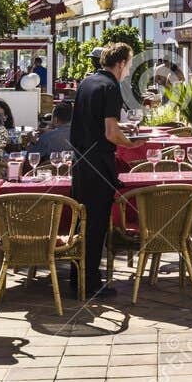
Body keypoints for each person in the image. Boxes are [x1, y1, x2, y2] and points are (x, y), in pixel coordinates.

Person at [71, 42, 137, 298]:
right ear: (120, 63)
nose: (129, 70)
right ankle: (90, 284)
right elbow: (110, 133)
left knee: (81, 222)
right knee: (97, 224)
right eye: (129, 64)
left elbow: (94, 122)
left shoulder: (87, 83)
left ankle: (78, 278)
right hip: (99, 164)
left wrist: (121, 130)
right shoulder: (111, 87)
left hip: (79, 162)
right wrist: (131, 143)